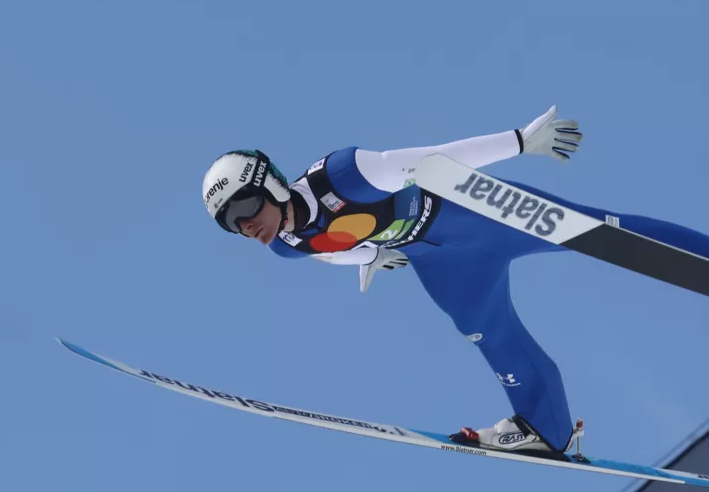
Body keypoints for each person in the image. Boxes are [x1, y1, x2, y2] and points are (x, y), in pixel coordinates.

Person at [201, 106, 709, 454]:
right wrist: (368, 259)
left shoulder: (344, 175)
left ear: (267, 182)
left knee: (598, 232)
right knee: (488, 333)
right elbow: (327, 252)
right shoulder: (287, 247)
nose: (245, 225)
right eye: (230, 223)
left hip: (476, 213)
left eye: (244, 206)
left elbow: (433, 160)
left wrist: (518, 142)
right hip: (441, 261)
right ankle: (546, 430)